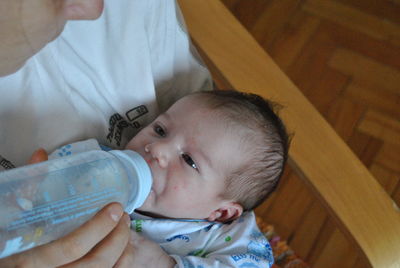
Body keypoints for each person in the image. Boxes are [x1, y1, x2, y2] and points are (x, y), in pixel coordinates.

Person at [17, 89, 288, 267]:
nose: (157, 149)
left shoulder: (229, 237)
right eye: (160, 130)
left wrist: (165, 265)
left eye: (189, 160)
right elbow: (36, 194)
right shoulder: (95, 163)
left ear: (221, 212)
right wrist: (32, 199)